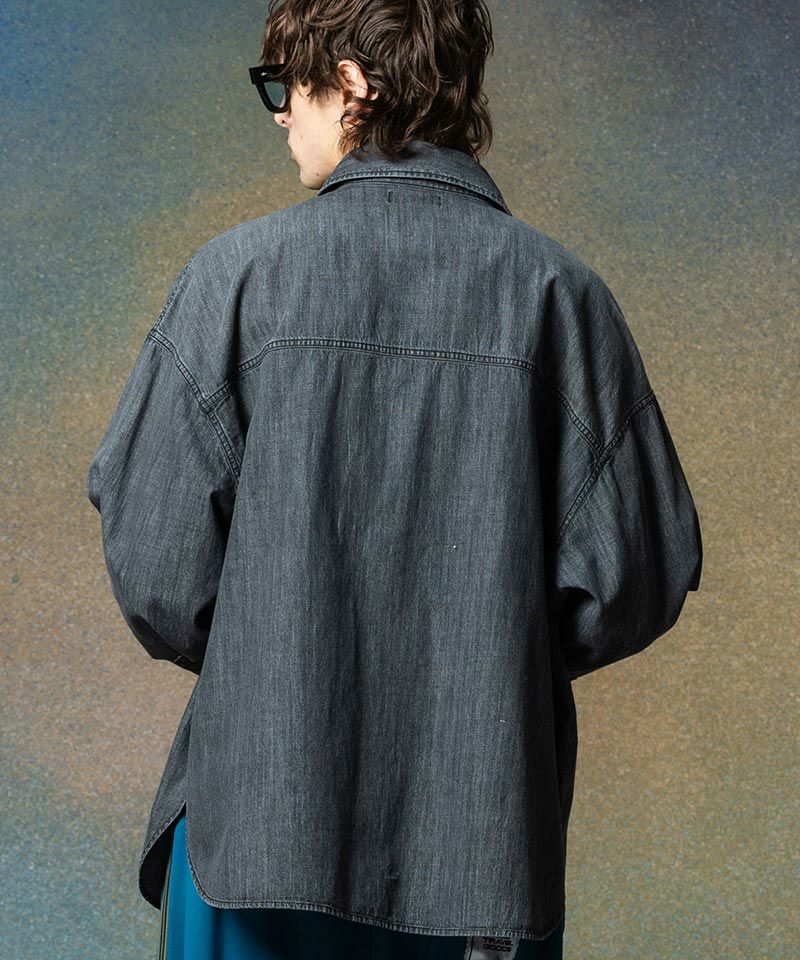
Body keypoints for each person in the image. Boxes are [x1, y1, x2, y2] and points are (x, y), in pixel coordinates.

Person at [86, 1, 703, 958]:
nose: (281, 113)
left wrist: (279, 657)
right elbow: (635, 580)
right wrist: (485, 656)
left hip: (255, 839)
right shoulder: (561, 299)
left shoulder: (235, 282)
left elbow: (160, 572)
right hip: (480, 857)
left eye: (285, 84)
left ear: (353, 82)